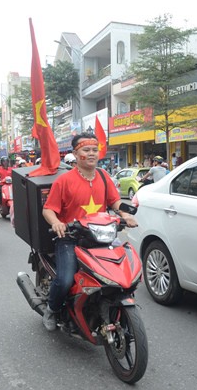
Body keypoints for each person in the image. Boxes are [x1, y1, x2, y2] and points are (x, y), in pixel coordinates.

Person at [41, 132, 137, 331]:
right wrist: (57, 223)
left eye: (95, 150)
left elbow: (115, 201)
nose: (91, 154)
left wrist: (125, 215)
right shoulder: (64, 180)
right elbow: (48, 209)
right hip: (71, 239)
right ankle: (51, 309)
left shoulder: (103, 176)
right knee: (66, 279)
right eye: (86, 150)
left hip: (101, 237)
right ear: (76, 154)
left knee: (125, 270)